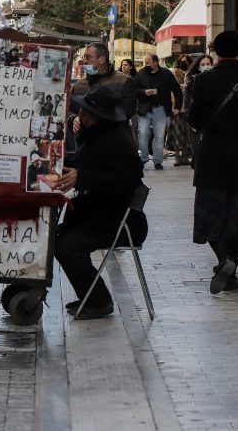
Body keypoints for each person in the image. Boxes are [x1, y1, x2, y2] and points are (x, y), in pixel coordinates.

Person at [55, 85, 147, 319]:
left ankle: (98, 301)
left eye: (84, 111)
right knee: (56, 238)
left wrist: (82, 177)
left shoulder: (116, 141)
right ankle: (91, 295)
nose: (80, 115)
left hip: (117, 222)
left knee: (67, 245)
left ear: (96, 116)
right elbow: (90, 165)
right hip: (99, 216)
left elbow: (124, 182)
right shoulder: (99, 136)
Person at [188, 31, 238, 294]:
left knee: (211, 215)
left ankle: (226, 261)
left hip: (213, 159)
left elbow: (195, 121)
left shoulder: (202, 81)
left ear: (217, 52)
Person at [70, 43, 138, 143]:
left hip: (114, 142)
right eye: (84, 57)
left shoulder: (124, 81)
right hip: (86, 143)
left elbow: (129, 111)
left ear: (101, 59)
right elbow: (69, 110)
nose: (84, 61)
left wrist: (100, 116)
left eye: (88, 57)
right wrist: (74, 118)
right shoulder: (80, 84)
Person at [135, 54, 183, 170]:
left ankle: (157, 161)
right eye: (144, 63)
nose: (145, 65)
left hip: (161, 109)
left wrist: (177, 106)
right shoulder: (141, 73)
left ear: (155, 62)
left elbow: (177, 90)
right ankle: (144, 158)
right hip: (145, 109)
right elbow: (134, 89)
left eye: (148, 63)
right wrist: (144, 92)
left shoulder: (166, 74)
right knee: (142, 135)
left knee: (159, 137)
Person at [184, 54, 213, 159]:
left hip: (213, 121)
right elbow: (188, 103)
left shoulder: (216, 81)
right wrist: (192, 122)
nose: (206, 66)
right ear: (198, 67)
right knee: (198, 154)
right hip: (196, 122)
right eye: (203, 64)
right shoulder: (192, 82)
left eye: (208, 64)